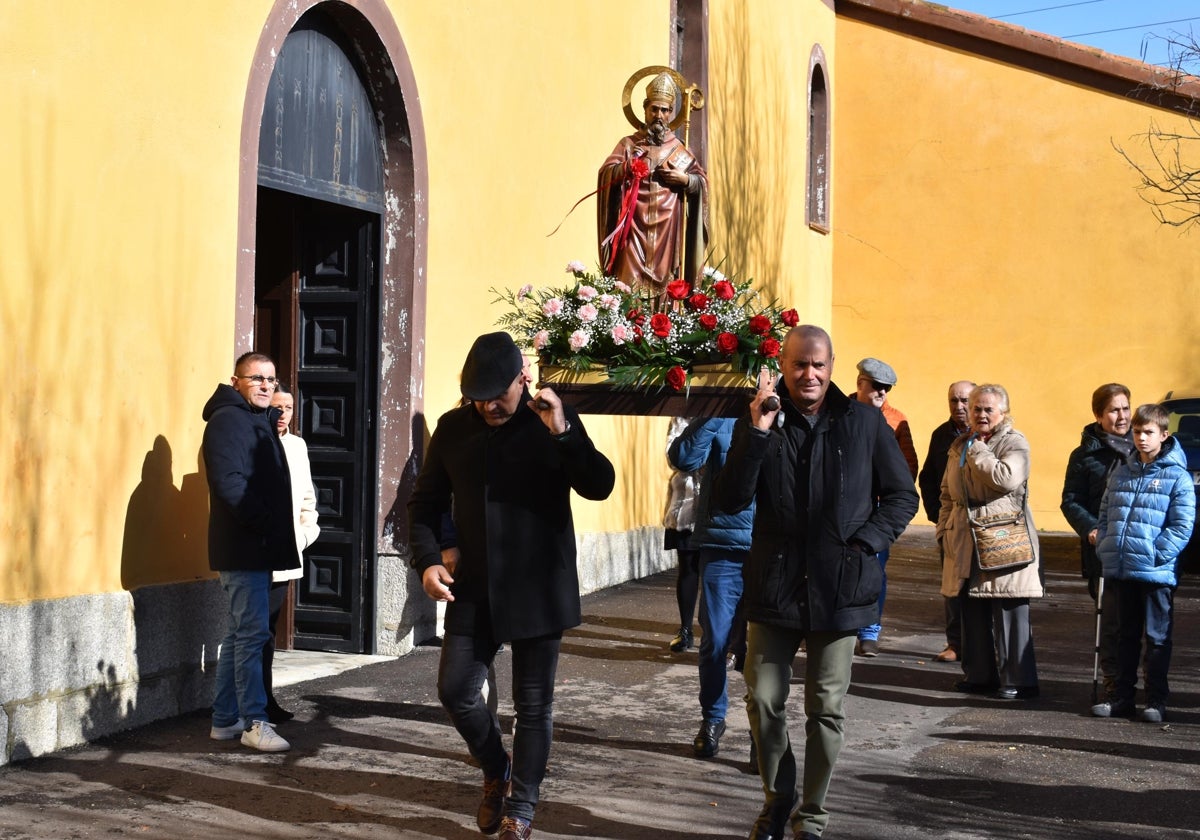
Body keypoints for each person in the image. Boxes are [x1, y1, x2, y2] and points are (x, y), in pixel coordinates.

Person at [407, 331, 615, 840]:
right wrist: (429, 561)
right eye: (479, 396)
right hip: (473, 586)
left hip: (539, 585)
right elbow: (425, 503)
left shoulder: (550, 422)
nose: (489, 405)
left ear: (523, 378)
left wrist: (564, 432)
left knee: (533, 705)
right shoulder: (454, 427)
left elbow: (600, 484)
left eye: (498, 393)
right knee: (455, 689)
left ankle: (520, 810)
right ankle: (496, 770)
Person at [716, 325, 918, 840]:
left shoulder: (865, 423)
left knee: (825, 709)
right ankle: (778, 800)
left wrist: (865, 543)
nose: (809, 374)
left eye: (819, 365)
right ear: (783, 365)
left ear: (832, 367)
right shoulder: (760, 417)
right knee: (762, 700)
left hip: (840, 588)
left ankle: (813, 816)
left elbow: (901, 495)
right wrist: (758, 433)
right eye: (799, 364)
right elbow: (732, 499)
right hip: (774, 585)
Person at [202, 351, 297, 752]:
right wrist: (263, 521)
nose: (264, 385)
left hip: (255, 545)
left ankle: (225, 720)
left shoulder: (256, 421)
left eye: (271, 380)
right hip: (243, 547)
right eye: (256, 378)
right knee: (253, 635)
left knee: (242, 633)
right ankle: (255, 722)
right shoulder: (227, 422)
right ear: (236, 381)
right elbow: (229, 484)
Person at [937, 384, 1042, 701]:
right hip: (964, 539)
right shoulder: (959, 444)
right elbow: (947, 492)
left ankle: (1019, 680)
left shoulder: (1014, 441)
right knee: (971, 610)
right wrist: (943, 528)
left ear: (1004, 413)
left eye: (988, 409)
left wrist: (979, 451)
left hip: (1002, 538)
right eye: (976, 408)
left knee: (1008, 609)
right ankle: (979, 675)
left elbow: (1005, 478)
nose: (981, 414)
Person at [1091, 403, 1195, 722]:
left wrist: (1154, 555)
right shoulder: (1122, 472)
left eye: (1148, 432)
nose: (1141, 438)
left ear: (1164, 435)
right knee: (1123, 636)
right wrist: (1108, 545)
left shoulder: (1177, 477)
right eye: (1137, 432)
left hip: (1155, 573)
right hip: (1121, 569)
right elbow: (1106, 513)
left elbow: (1182, 525)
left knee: (1157, 639)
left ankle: (1155, 701)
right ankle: (1121, 698)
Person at [668, 417, 754, 758]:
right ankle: (713, 718)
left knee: (760, 649)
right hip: (722, 544)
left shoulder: (786, 404)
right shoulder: (720, 415)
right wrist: (714, 411)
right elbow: (685, 459)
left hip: (769, 546)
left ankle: (761, 730)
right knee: (715, 641)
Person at [597, 72, 708, 295]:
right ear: (645, 109)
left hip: (668, 229)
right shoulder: (628, 144)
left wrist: (686, 180)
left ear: (671, 113)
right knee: (628, 281)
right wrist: (627, 167)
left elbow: (701, 181)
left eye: (665, 110)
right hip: (633, 227)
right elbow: (606, 175)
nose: (659, 115)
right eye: (654, 109)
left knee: (667, 283)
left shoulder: (679, 148)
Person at [1060, 383, 1133, 697]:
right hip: (1101, 550)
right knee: (1111, 623)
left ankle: (1141, 682)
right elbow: (1070, 500)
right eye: (1114, 410)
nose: (1121, 416)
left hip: (1138, 549)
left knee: (1144, 623)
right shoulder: (1084, 454)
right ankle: (1114, 682)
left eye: (1125, 408)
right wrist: (1090, 529)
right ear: (1099, 415)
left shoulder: (1143, 446)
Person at [852, 357, 919, 657]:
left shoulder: (896, 420)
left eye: (886, 388)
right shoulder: (841, 412)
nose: (881, 393)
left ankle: (869, 630)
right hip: (845, 508)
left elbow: (907, 468)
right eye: (876, 386)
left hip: (876, 510)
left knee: (874, 570)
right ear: (860, 383)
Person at [263, 382, 320, 724]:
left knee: (268, 631)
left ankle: (266, 699)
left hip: (286, 556)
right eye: (276, 406)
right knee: (254, 634)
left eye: (288, 407)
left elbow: (308, 501)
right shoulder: (256, 441)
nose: (282, 413)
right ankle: (253, 702)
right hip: (255, 557)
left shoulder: (297, 446)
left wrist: (302, 536)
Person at [917, 380, 976, 663]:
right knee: (952, 587)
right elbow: (928, 477)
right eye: (954, 400)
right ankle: (956, 643)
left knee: (980, 587)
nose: (959, 406)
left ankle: (982, 643)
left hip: (980, 526)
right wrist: (936, 517)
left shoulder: (988, 434)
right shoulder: (941, 435)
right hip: (951, 524)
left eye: (965, 400)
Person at [663, 417, 702, 652]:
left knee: (716, 575)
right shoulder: (680, 417)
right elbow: (674, 457)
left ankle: (721, 636)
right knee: (687, 569)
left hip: (715, 506)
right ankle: (685, 630)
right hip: (685, 507)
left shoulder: (725, 414)